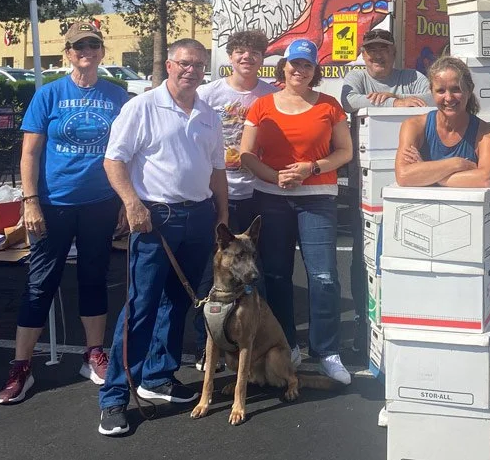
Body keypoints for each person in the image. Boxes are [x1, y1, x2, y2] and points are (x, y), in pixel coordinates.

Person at [393, 55, 490, 448]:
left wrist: (432, 172)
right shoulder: (414, 125)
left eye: (455, 89)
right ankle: (406, 402)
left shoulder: (486, 132)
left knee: (476, 333)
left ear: (469, 90)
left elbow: (486, 177)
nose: (448, 97)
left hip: (470, 244)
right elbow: (403, 176)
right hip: (417, 243)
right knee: (423, 328)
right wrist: (458, 164)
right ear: (431, 91)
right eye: (440, 89)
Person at [97, 39, 229, 437]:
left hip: (199, 216)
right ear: (169, 65)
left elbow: (217, 169)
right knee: (141, 306)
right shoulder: (142, 107)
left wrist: (222, 215)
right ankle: (114, 397)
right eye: (184, 63)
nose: (191, 70)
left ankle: (158, 376)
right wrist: (132, 204)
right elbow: (114, 160)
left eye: (199, 65)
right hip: (156, 219)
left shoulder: (209, 114)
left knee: (179, 302)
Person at [0, 21, 130, 405]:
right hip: (53, 204)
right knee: (40, 284)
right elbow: (30, 153)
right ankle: (22, 367)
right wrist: (30, 200)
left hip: (100, 203)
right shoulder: (49, 95)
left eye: (93, 45)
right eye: (78, 46)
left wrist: (125, 199)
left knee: (94, 278)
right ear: (68, 53)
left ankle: (93, 354)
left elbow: (127, 152)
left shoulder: (117, 96)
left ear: (102, 52)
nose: (86, 51)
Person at [239, 38, 354, 386]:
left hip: (317, 196)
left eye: (307, 65)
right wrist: (275, 176)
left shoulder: (330, 106)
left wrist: (311, 168)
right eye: (295, 64)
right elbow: (247, 154)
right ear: (283, 66)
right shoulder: (261, 105)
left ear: (314, 70)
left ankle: (327, 350)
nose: (299, 70)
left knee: (324, 277)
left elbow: (345, 152)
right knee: (276, 275)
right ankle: (286, 343)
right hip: (272, 198)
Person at [340, 28, 433, 352]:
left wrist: (393, 101)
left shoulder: (413, 77)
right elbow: (349, 100)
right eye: (371, 51)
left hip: (413, 178)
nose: (377, 55)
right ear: (363, 55)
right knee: (362, 256)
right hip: (365, 185)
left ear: (394, 53)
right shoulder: (357, 78)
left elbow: (434, 98)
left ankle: (406, 317)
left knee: (411, 248)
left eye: (383, 49)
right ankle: (362, 322)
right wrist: (398, 102)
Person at [192, 29, 276, 371]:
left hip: (257, 192)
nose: (247, 57)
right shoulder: (207, 93)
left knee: (254, 271)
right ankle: (206, 346)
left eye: (254, 52)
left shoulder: (271, 95)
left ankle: (253, 343)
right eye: (240, 51)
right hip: (217, 191)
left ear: (262, 58)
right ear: (230, 57)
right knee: (210, 273)